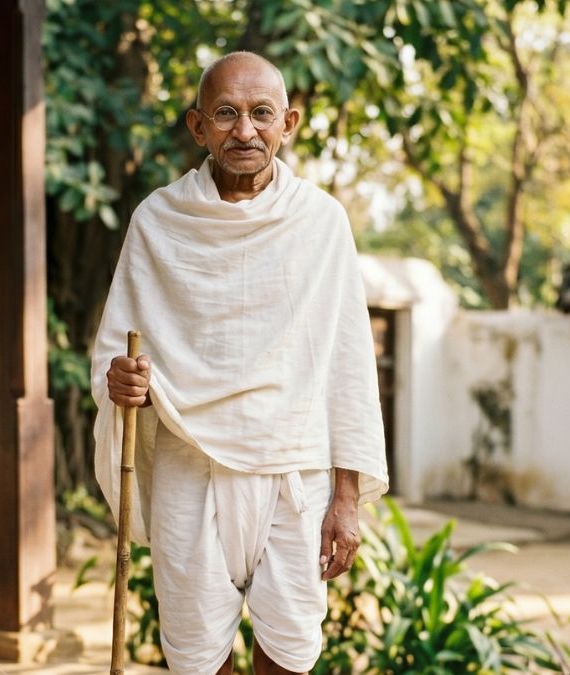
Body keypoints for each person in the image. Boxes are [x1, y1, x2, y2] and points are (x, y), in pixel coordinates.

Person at [91, 51, 387, 675]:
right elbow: (118, 353)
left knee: (288, 651)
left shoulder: (323, 222)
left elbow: (349, 363)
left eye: (261, 114)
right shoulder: (158, 221)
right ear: (198, 126)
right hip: (185, 461)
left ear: (290, 123)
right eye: (226, 113)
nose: (244, 130)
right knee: (198, 656)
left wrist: (347, 498)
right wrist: (123, 382)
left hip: (294, 468)